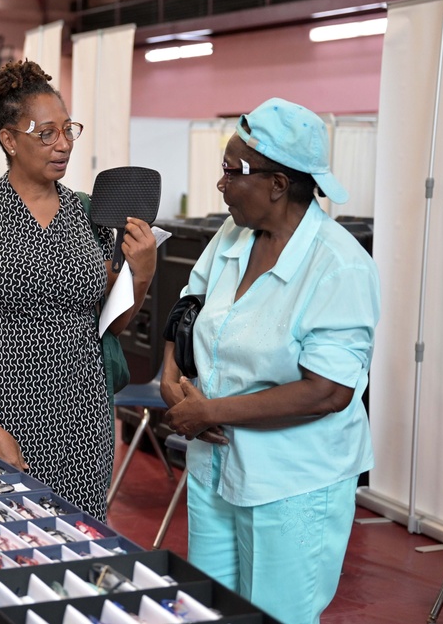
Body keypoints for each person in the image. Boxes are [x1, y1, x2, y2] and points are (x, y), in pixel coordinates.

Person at [159, 97, 381, 624]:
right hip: (215, 464)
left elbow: (328, 391)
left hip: (291, 481)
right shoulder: (232, 234)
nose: (219, 183)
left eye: (231, 171)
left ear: (277, 184)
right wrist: (171, 375)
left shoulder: (340, 266)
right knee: (208, 607)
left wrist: (209, 413)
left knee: (277, 613)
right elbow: (190, 304)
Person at [0, 60, 157, 521]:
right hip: (5, 415)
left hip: (84, 416)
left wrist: (143, 273)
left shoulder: (88, 215)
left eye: (68, 131)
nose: (63, 145)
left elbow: (112, 324)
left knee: (79, 542)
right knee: (1, 540)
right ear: (10, 140)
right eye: (47, 133)